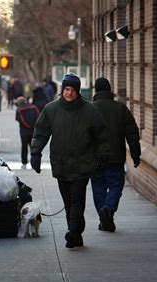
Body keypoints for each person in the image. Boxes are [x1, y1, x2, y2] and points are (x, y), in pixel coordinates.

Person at [30, 73, 110, 248]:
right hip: (61, 164)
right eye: (66, 89)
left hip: (83, 164)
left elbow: (102, 136)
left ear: (78, 91)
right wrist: (36, 153)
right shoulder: (51, 110)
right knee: (68, 202)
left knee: (77, 201)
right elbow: (40, 132)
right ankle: (76, 232)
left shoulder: (90, 111)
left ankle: (72, 233)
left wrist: (103, 155)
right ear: (62, 90)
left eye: (73, 90)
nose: (69, 93)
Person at [91, 77, 141, 232]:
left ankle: (104, 217)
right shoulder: (120, 108)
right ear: (109, 90)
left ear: (96, 90)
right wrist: (135, 155)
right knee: (116, 185)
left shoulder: (89, 109)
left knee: (98, 189)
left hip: (95, 159)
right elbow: (132, 133)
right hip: (116, 157)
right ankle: (109, 210)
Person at [15, 96, 40, 169]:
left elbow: (18, 119)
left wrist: (27, 125)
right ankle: (35, 163)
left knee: (24, 147)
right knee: (34, 147)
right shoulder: (33, 107)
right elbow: (39, 116)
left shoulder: (19, 109)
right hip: (34, 130)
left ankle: (24, 162)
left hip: (24, 131)